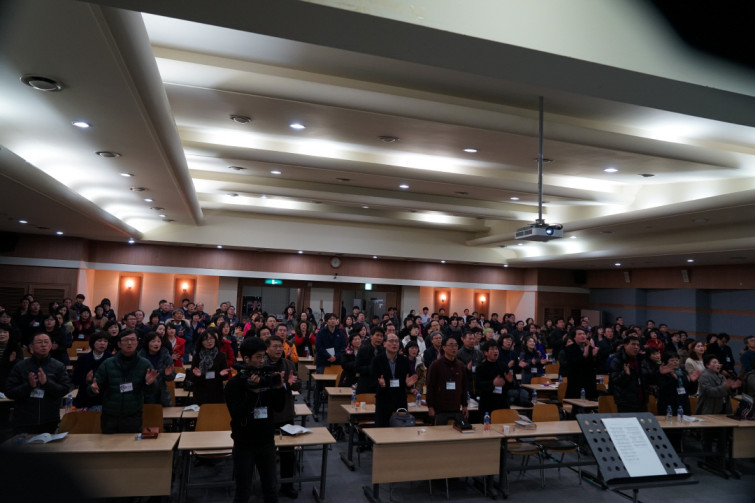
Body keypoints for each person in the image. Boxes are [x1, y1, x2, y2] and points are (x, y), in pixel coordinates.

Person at [225, 337, 286, 503]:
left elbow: (279, 407)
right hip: (244, 443)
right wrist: (252, 394)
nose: (262, 360)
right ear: (246, 358)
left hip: (266, 441)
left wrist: (279, 388)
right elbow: (238, 414)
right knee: (243, 491)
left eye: (263, 356)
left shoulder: (266, 378)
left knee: (271, 489)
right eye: (258, 357)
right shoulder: (234, 384)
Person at [90, 329, 159, 434]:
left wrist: (149, 383)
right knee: (108, 443)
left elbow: (152, 391)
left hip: (133, 416)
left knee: (130, 443)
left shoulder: (144, 364)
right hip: (110, 416)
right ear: (119, 344)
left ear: (137, 343)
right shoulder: (108, 363)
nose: (129, 343)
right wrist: (92, 389)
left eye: (133, 340)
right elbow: (95, 385)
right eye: (126, 340)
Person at [5, 332, 71, 435]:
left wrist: (46, 383)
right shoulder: (20, 366)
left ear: (51, 345)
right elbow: (9, 392)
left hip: (50, 419)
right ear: (31, 346)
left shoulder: (58, 366)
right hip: (24, 420)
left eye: (46, 342)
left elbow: (64, 389)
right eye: (39, 342)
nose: (43, 345)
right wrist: (29, 386)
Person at [265, 335, 300, 499]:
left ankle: (287, 486)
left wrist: (293, 383)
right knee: (267, 454)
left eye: (280, 346)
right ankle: (268, 486)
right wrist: (280, 384)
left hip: (286, 413)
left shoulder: (289, 364)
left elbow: (298, 384)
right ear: (267, 349)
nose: (279, 349)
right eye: (275, 346)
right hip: (266, 415)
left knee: (288, 454)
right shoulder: (262, 365)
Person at [372, 333, 418, 426]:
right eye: (391, 341)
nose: (394, 344)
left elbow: (407, 380)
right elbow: (372, 381)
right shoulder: (377, 360)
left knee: (401, 430)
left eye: (396, 341)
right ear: (384, 343)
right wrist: (380, 385)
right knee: (382, 430)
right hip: (384, 401)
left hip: (400, 401)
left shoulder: (404, 360)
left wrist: (408, 386)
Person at [426, 337, 468, 426]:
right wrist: (430, 407)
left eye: (456, 345)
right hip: (440, 409)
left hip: (456, 407)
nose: (454, 348)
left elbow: (464, 386)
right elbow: (430, 387)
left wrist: (465, 405)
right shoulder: (436, 365)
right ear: (444, 347)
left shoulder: (460, 365)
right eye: (451, 345)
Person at [71, 332, 113, 411]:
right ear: (93, 342)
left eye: (105, 341)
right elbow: (74, 380)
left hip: (105, 399)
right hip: (85, 399)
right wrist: (86, 379)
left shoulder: (112, 359)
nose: (102, 343)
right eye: (99, 341)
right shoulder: (83, 358)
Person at [187, 331, 230, 404]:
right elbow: (192, 378)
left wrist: (222, 375)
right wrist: (197, 375)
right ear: (201, 342)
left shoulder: (221, 355)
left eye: (211, 338)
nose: (209, 341)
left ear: (215, 340)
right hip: (200, 391)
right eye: (205, 339)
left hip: (216, 391)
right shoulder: (197, 356)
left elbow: (225, 377)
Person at [609, 336, 647, 412]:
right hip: (625, 402)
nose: (636, 347)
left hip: (641, 400)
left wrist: (659, 372)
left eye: (638, 345)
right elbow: (615, 381)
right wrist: (625, 374)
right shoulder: (617, 360)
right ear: (625, 345)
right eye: (633, 344)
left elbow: (647, 377)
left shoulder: (641, 359)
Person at [138, 331, 176, 407]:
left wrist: (168, 375)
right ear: (147, 343)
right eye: (153, 341)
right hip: (144, 391)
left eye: (159, 341)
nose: (156, 344)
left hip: (161, 392)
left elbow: (171, 377)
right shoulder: (140, 356)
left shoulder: (165, 354)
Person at [475, 340, 514, 414]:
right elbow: (478, 385)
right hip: (487, 404)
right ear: (486, 353)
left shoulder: (503, 366)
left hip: (502, 403)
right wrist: (492, 383)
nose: (495, 351)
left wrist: (510, 382)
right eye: (492, 349)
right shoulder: (481, 367)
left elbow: (511, 386)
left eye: (496, 349)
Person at [564, 328, 599, 400]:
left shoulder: (590, 348)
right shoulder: (569, 349)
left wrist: (594, 356)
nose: (583, 336)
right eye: (579, 334)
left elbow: (594, 366)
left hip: (589, 383)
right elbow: (573, 364)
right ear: (574, 338)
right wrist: (584, 355)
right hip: (576, 382)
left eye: (584, 334)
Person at [355, 327, 385, 394]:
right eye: (377, 335)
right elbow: (357, 368)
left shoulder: (384, 351)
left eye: (381, 336)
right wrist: (371, 368)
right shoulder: (363, 350)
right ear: (371, 336)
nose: (379, 338)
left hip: (379, 385)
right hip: (365, 385)